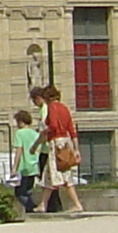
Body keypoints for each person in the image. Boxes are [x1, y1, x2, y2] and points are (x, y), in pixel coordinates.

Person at [33, 86, 86, 216]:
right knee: (51, 174)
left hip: (55, 143)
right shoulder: (64, 108)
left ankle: (76, 204)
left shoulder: (52, 107)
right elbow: (72, 130)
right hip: (66, 141)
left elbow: (53, 126)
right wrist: (76, 149)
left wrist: (45, 131)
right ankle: (43, 204)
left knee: (59, 173)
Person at [8, 109, 43, 216]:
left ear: (20, 121)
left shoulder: (19, 133)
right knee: (28, 190)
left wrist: (14, 167)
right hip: (33, 166)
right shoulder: (35, 134)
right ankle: (31, 208)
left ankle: (32, 208)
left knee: (19, 193)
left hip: (23, 167)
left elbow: (19, 150)